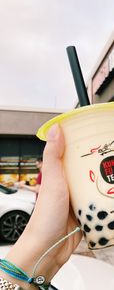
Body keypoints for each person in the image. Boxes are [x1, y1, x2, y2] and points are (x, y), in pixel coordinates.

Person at [0, 124, 82, 289]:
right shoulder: (40, 173)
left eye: (38, 163)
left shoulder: (42, 174)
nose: (38, 166)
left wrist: (23, 186)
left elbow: (39, 189)